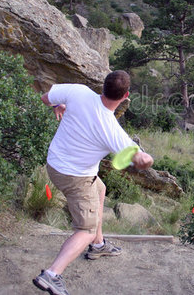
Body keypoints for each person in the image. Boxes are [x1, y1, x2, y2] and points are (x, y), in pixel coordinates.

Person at [33, 70, 154, 295]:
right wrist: (148, 158)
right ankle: (51, 275)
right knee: (85, 229)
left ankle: (98, 246)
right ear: (125, 96)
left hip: (54, 162)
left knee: (100, 188)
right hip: (75, 177)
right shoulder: (113, 130)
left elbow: (46, 97)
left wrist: (56, 106)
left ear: (103, 85)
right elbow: (142, 161)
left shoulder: (78, 91)